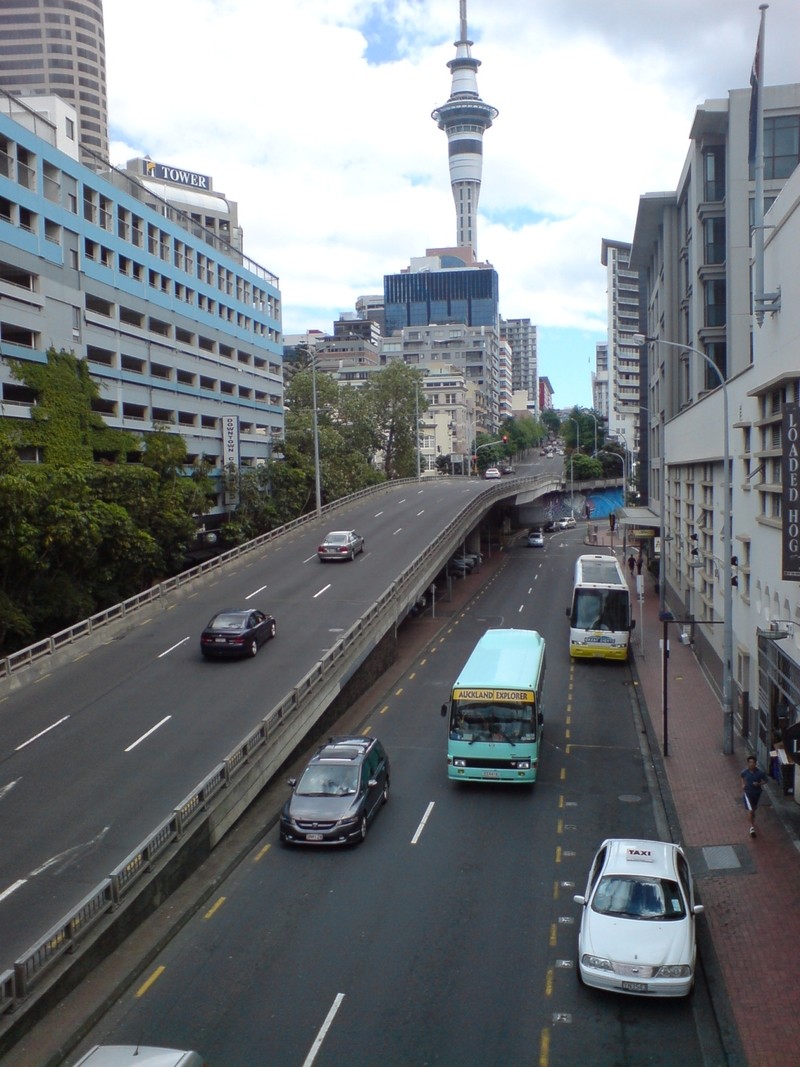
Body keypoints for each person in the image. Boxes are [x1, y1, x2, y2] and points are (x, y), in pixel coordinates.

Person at [741, 755, 768, 836]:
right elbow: (741, 777)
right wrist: (742, 784)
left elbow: (766, 781)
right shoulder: (745, 772)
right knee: (750, 810)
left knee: (753, 809)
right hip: (747, 793)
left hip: (756, 793)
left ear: (755, 763)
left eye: (753, 762)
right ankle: (751, 827)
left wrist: (759, 783)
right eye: (750, 762)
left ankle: (752, 818)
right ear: (748, 763)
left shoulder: (760, 773)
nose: (751, 764)